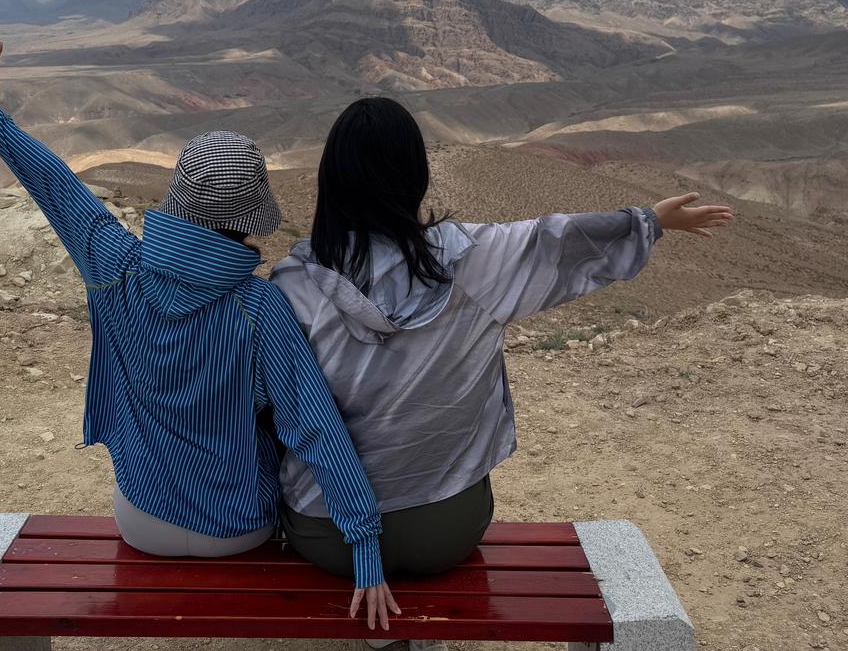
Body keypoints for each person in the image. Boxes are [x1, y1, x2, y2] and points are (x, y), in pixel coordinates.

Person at [0, 36, 400, 630]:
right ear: (249, 216)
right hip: (239, 529)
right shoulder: (260, 306)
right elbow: (314, 429)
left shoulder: (113, 265)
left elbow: (55, 184)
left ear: (178, 202)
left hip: (142, 519)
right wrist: (365, 545)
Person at [270, 96, 733, 649]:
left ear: (332, 180)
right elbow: (558, 239)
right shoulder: (474, 260)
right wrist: (651, 221)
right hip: (448, 528)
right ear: (414, 174)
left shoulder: (291, 288)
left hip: (328, 535)